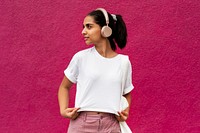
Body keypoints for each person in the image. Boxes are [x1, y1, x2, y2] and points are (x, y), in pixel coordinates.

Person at [58, 8, 134, 133]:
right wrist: (63, 110)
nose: (83, 32)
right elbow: (64, 87)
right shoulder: (80, 58)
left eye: (89, 26)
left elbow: (126, 92)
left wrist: (126, 111)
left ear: (105, 29)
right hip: (82, 123)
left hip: (112, 124)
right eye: (83, 27)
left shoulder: (123, 62)